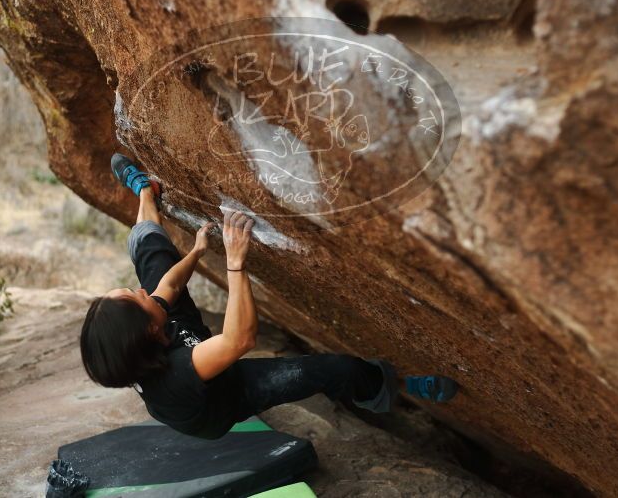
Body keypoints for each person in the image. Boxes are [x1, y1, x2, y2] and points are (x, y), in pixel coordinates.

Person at [79, 153, 457, 441]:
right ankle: (397, 385)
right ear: (149, 331)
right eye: (134, 297)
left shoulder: (147, 327)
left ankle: (146, 191)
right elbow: (239, 340)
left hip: (175, 341)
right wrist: (235, 261)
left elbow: (169, 288)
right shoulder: (177, 377)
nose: (141, 290)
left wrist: (195, 252)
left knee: (150, 252)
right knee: (331, 370)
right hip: (223, 397)